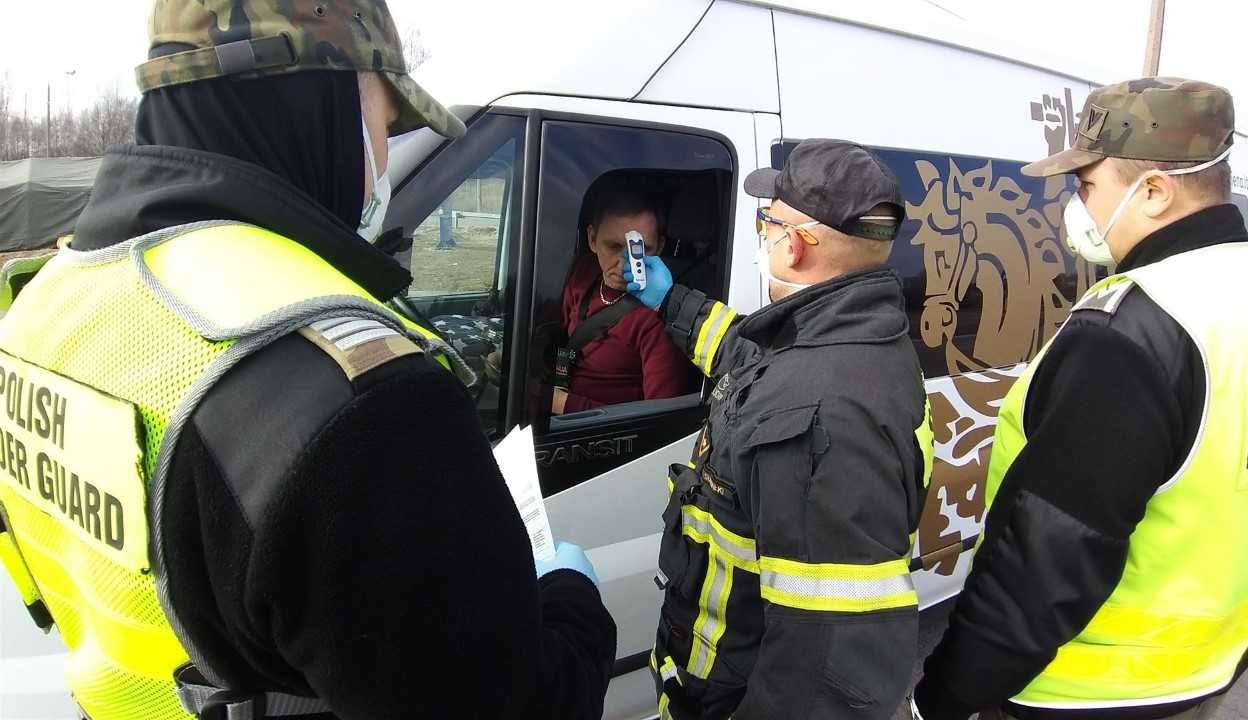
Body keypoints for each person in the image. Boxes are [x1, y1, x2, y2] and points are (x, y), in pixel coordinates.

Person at [0, 2, 616, 719]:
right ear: (320, 100)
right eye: (385, 124)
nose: (383, 157)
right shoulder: (357, 399)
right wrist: (570, 606)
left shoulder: (44, 306)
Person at [912, 78, 1248, 720]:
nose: (1074, 205)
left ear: (1156, 191)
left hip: (1092, 686)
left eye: (1087, 186)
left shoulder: (1134, 330)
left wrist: (941, 698)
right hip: (1207, 660)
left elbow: (1044, 562)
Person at [626, 139, 934, 719]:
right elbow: (747, 354)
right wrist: (670, 301)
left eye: (768, 221)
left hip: (728, 697)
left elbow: (829, 670)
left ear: (792, 245)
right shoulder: (846, 335)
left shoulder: (821, 415)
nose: (762, 233)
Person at [553, 183, 691, 415]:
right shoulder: (583, 274)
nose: (624, 263)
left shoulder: (661, 318)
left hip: (602, 433)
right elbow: (558, 335)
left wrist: (560, 403)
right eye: (614, 246)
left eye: (639, 249)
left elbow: (659, 420)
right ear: (592, 239)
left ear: (659, 247)